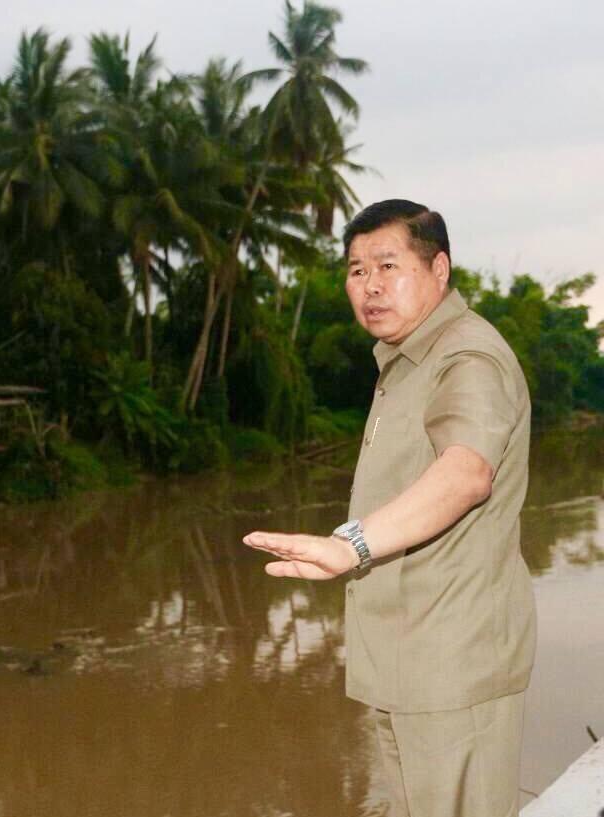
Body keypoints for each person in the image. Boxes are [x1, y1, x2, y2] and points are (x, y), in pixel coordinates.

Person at [243, 199, 536, 817]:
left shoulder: (467, 357)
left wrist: (349, 545)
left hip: (453, 665)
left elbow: (466, 473)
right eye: (356, 270)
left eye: (388, 265)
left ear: (439, 269)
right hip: (405, 662)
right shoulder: (405, 362)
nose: (370, 285)